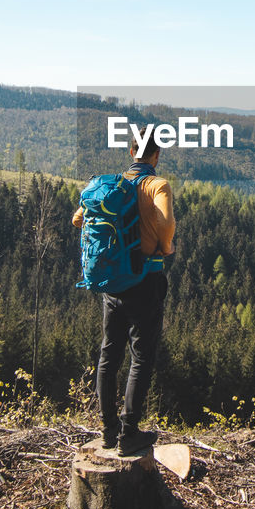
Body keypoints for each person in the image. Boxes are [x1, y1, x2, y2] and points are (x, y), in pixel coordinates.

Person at [72, 132, 175, 455]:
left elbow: (78, 219)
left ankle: (107, 432)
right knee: (141, 358)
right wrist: (166, 245)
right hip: (145, 280)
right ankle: (129, 433)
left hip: (112, 284)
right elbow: (166, 222)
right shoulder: (157, 185)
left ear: (131, 151)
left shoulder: (111, 187)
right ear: (156, 155)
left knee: (109, 356)